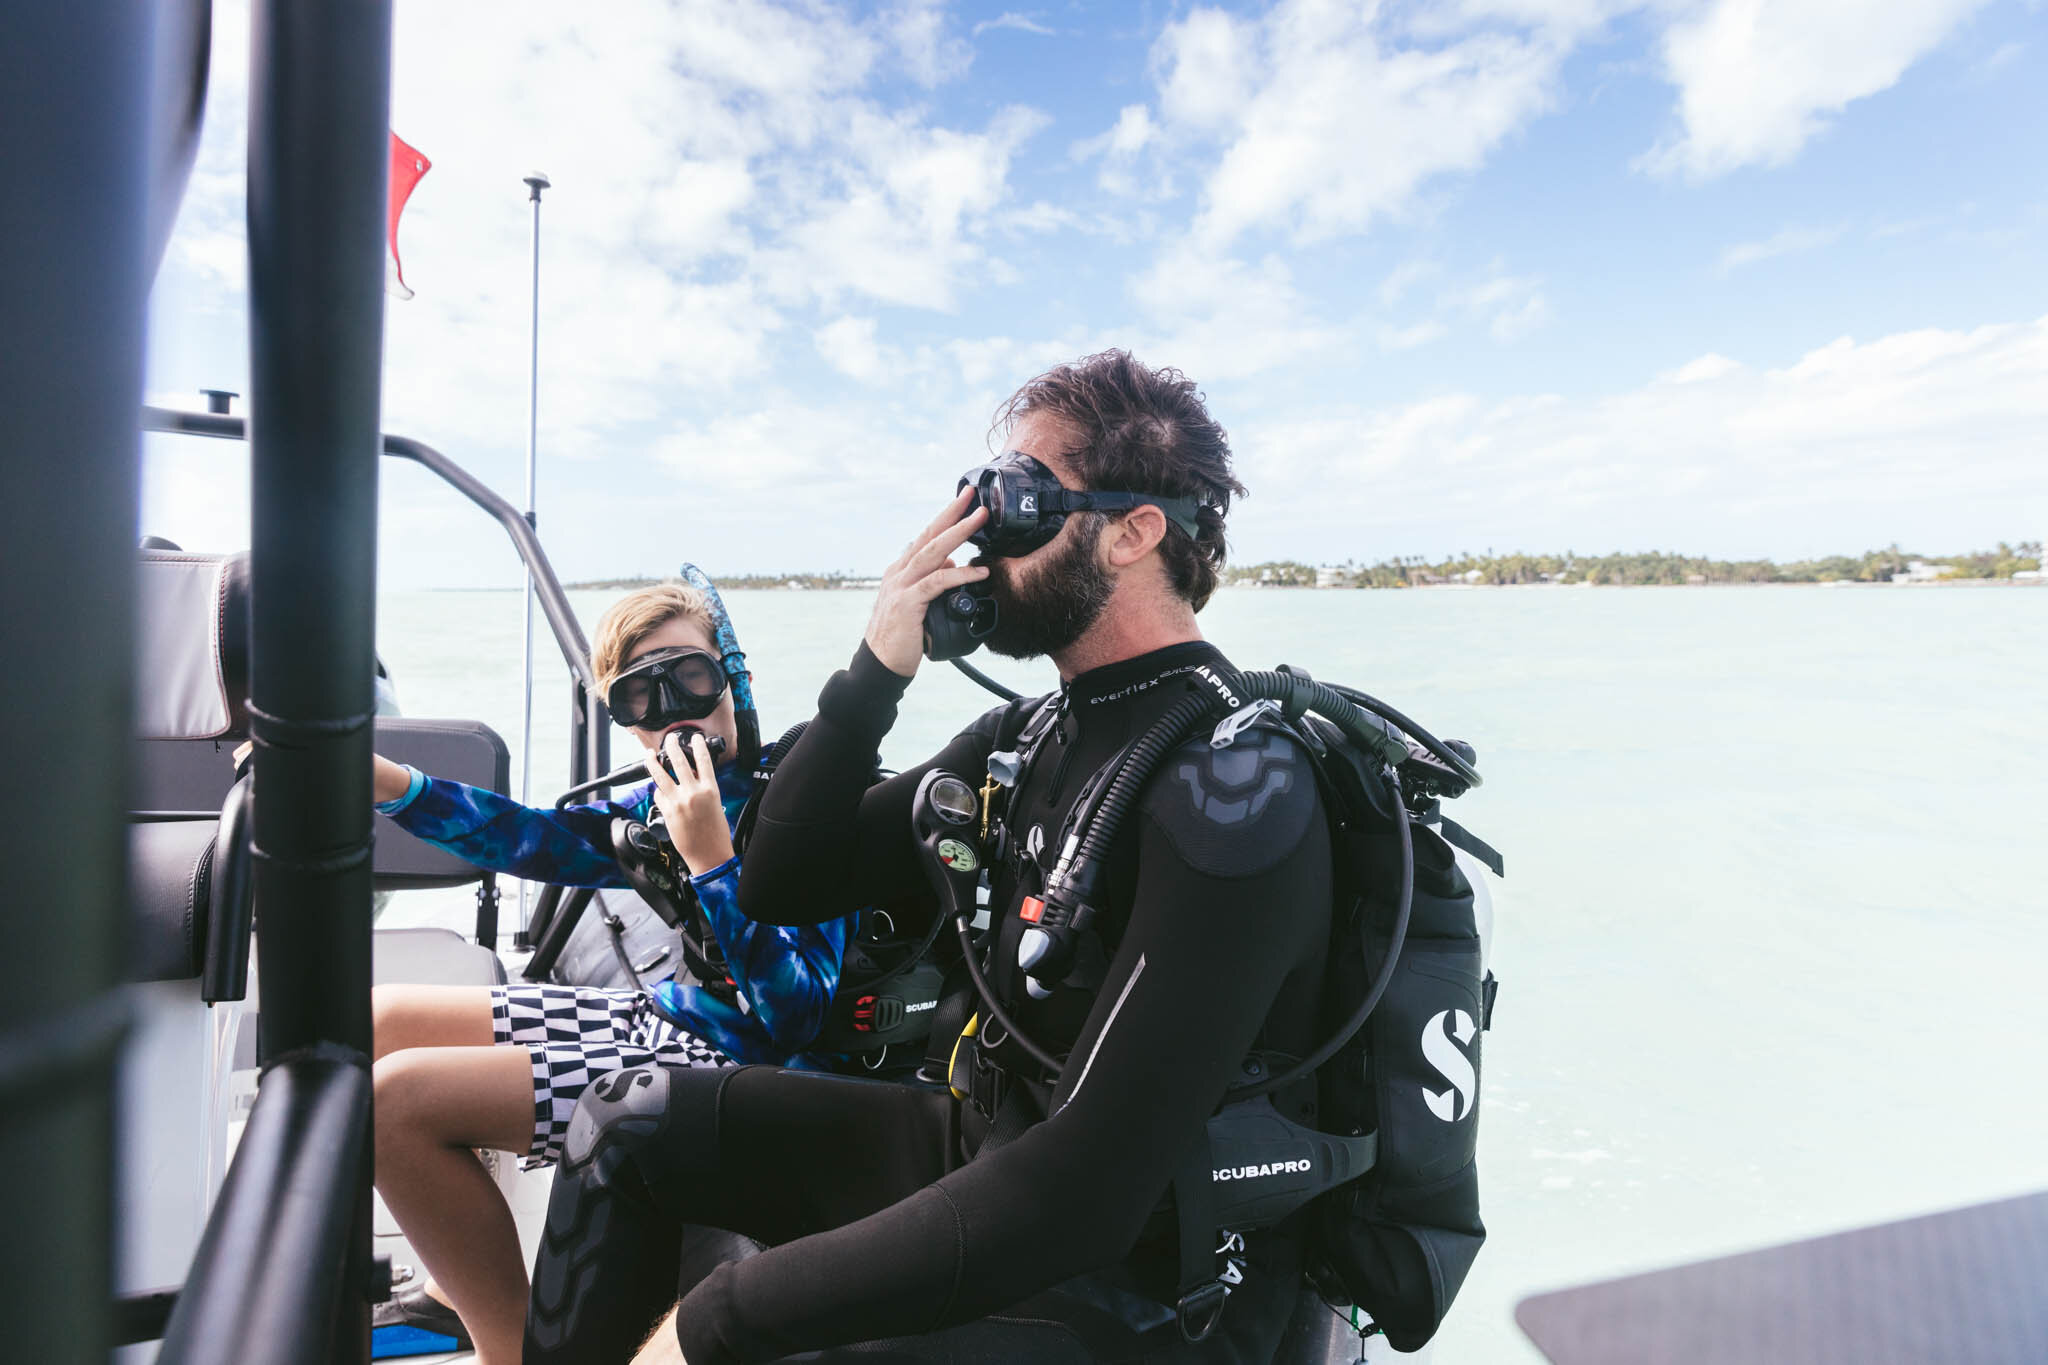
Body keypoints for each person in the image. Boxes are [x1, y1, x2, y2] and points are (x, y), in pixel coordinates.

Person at [523, 351, 1338, 1364]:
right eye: (976, 498)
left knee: (752, 1332)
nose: (976, 535)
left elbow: (1084, 1196)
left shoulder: (1232, 793)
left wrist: (716, 1316)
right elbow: (784, 882)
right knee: (625, 1122)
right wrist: (873, 670)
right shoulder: (1027, 738)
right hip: (989, 1148)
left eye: (1017, 501)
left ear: (1134, 533)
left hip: (1154, 1281)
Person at [368, 579, 853, 1365]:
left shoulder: (804, 801)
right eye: (640, 696)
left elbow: (796, 1016)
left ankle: (509, 1351)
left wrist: (714, 864)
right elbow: (527, 838)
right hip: (670, 1016)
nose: (674, 710)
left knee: (391, 1107)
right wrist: (392, 785)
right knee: (378, 1020)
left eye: (690, 677)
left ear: (737, 677)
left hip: (745, 1064)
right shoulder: (653, 809)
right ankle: (454, 1287)